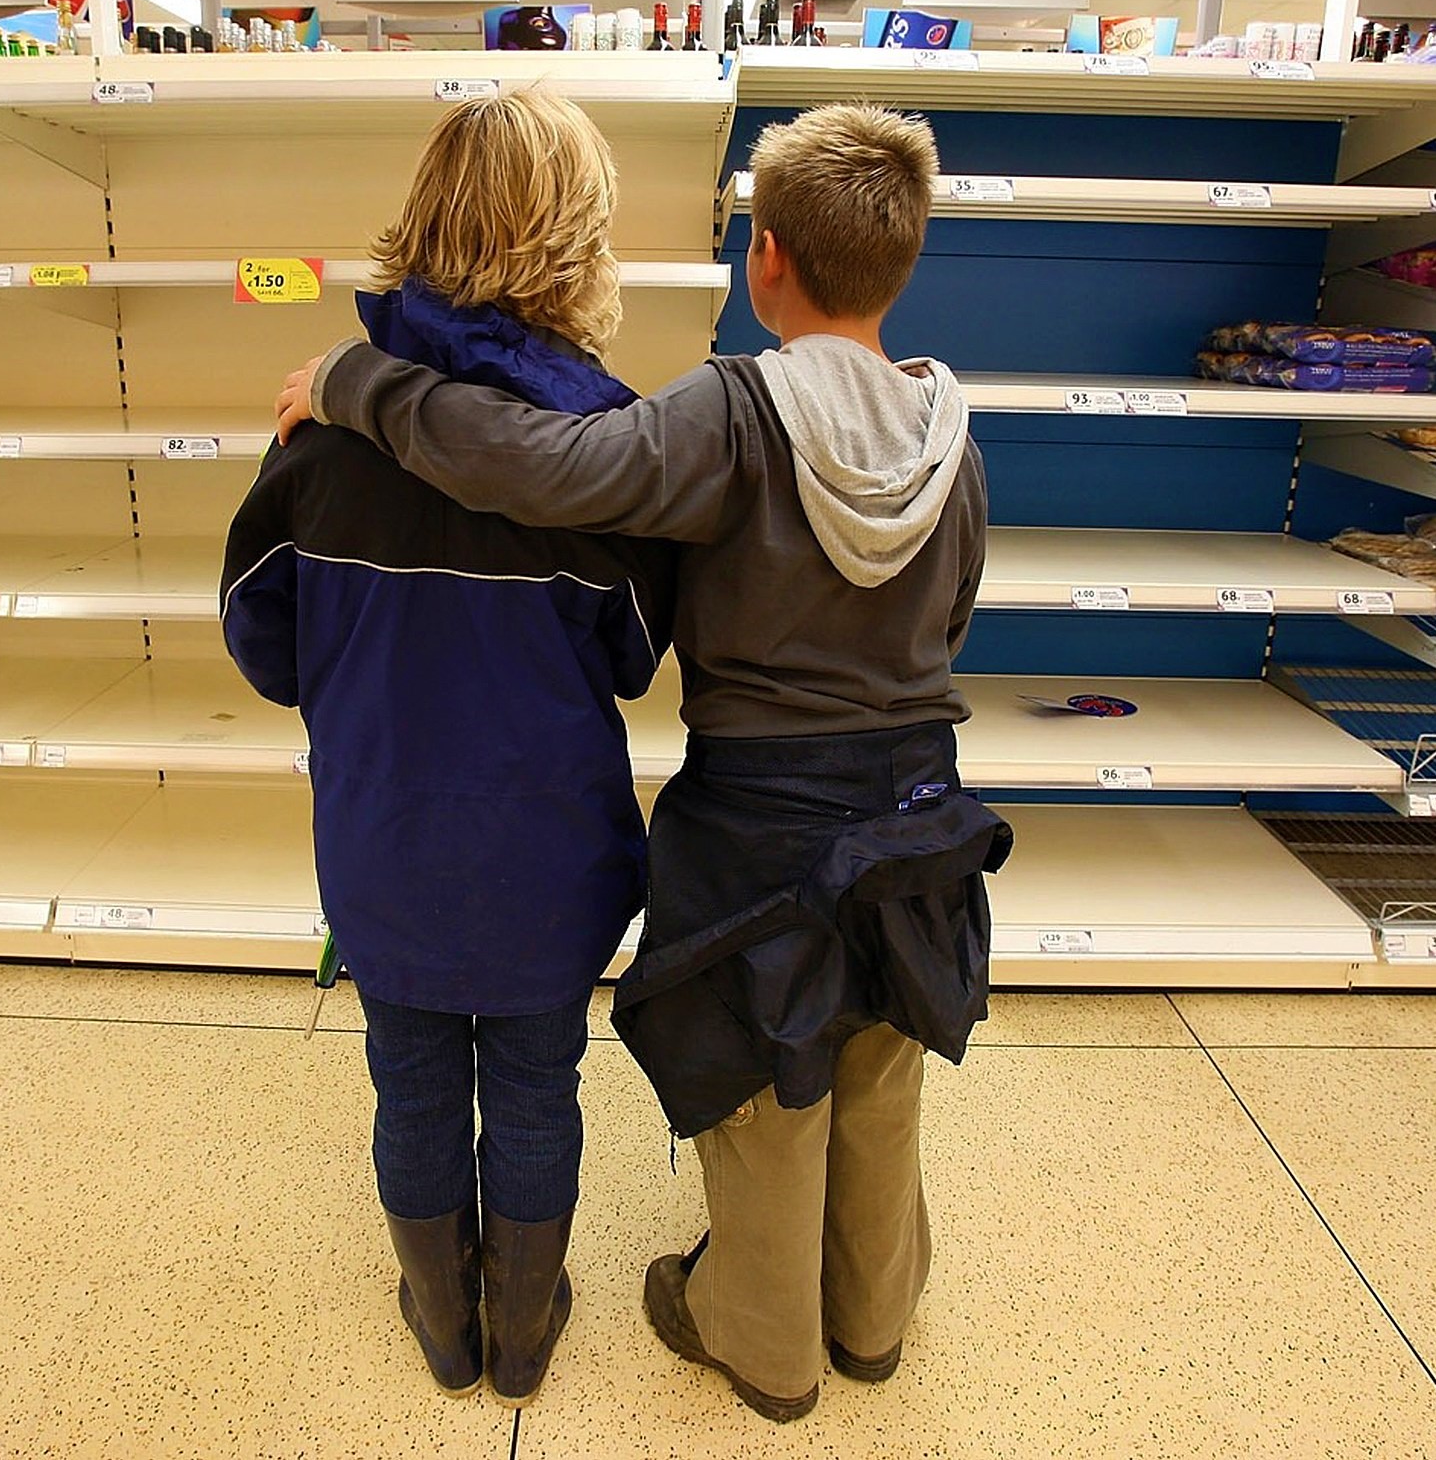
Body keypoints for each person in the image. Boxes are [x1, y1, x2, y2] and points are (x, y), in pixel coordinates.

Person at [274, 102, 1010, 1423]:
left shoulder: (729, 414)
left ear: (765, 256)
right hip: (918, 808)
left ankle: (762, 1343)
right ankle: (875, 1318)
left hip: (761, 826)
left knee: (772, 1087)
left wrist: (352, 380)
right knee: (883, 1067)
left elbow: (543, 468)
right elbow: (949, 616)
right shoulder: (958, 443)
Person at [219, 88, 673, 1407]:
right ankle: (527, 1332)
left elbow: (263, 643)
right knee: (537, 1084)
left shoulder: (322, 432)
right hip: (551, 854)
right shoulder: (606, 450)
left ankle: (442, 1320)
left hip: (385, 844)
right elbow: (635, 652)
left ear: (421, 221)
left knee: (410, 1083)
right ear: (577, 242)